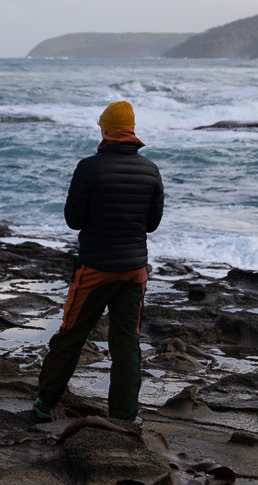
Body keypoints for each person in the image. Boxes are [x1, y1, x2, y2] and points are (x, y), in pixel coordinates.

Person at [33, 100, 164, 424]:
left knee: (71, 335)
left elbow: (73, 220)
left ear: (106, 130)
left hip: (94, 269)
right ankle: (125, 415)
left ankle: (44, 405)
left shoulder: (89, 167)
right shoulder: (150, 170)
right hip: (134, 271)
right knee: (126, 342)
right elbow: (152, 224)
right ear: (131, 130)